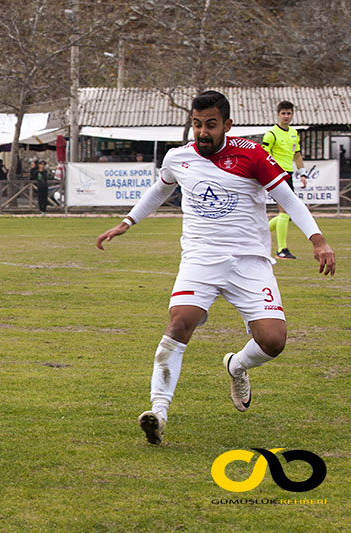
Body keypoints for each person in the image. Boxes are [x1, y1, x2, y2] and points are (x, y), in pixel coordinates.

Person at [96, 91, 335, 446]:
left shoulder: (252, 154)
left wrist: (317, 239)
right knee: (179, 323)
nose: (202, 132)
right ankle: (158, 414)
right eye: (196, 124)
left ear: (227, 124)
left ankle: (236, 365)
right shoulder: (178, 158)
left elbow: (288, 198)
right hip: (201, 258)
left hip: (250, 261)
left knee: (273, 341)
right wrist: (126, 222)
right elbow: (159, 191)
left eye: (210, 125)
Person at [262, 101, 307, 260]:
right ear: (278, 114)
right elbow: (263, 156)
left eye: (289, 113)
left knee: (287, 215)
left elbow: (297, 155)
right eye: (283, 113)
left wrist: (302, 173)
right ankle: (282, 250)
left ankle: (259, 234)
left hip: (288, 175)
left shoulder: (294, 133)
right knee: (285, 212)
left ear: (292, 114)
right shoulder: (271, 134)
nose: (286, 116)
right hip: (276, 176)